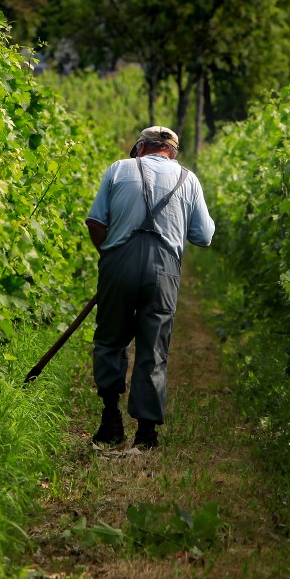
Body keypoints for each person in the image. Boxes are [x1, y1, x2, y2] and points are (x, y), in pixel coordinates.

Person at [84, 125, 215, 450]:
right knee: (154, 348)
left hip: (118, 261)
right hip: (164, 269)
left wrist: (111, 260)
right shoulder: (188, 179)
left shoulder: (118, 169)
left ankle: (111, 421)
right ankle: (146, 434)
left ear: (141, 147)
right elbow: (204, 236)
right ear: (172, 151)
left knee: (110, 339)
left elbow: (96, 222)